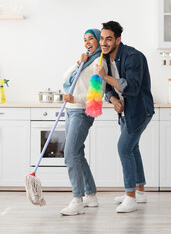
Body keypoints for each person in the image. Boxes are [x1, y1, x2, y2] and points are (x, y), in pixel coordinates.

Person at [95, 21, 154, 213]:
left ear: (118, 40)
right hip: (125, 110)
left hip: (139, 110)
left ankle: (130, 197)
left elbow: (132, 87)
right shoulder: (105, 59)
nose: (104, 42)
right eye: (102, 38)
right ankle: (140, 191)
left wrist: (105, 76)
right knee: (132, 148)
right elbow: (110, 89)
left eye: (109, 39)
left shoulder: (132, 56)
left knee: (124, 148)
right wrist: (113, 100)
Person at [60, 28, 108, 216]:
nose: (87, 42)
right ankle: (91, 195)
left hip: (81, 112)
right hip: (71, 112)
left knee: (70, 154)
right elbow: (65, 78)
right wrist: (78, 62)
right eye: (85, 39)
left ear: (98, 41)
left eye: (91, 39)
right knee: (77, 153)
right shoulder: (86, 61)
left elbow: (97, 93)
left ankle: (77, 200)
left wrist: (74, 99)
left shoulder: (99, 62)